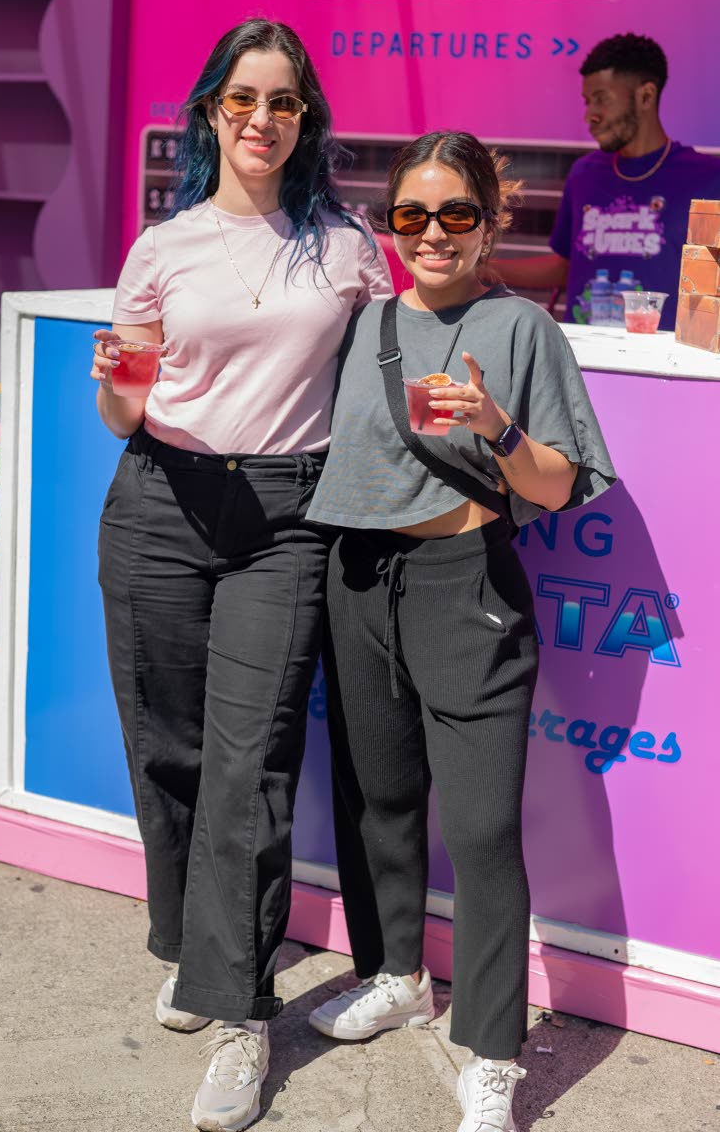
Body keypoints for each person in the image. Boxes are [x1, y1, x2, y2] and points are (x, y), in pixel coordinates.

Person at [91, 18, 392, 1132]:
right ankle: (188, 942)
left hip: (286, 519)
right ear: (211, 108)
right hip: (162, 503)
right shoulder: (161, 249)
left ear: (304, 120)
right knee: (164, 740)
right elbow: (120, 400)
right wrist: (123, 384)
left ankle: (239, 1015)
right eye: (244, 98)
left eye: (285, 102)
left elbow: (390, 377)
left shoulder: (346, 245)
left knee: (251, 757)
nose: (263, 120)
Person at [305, 131, 617, 1131]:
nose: (431, 234)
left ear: (490, 223)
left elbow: (561, 485)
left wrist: (495, 426)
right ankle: (398, 974)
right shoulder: (359, 324)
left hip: (465, 585)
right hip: (357, 574)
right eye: (410, 216)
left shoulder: (522, 332)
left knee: (481, 831)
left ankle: (490, 1049)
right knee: (381, 801)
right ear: (387, 224)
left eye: (455, 215)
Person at [496, 33, 720, 330]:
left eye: (601, 100)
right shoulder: (584, 174)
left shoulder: (707, 178)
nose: (590, 115)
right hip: (586, 359)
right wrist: (485, 269)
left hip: (667, 363)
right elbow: (568, 267)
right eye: (587, 102)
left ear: (646, 96)